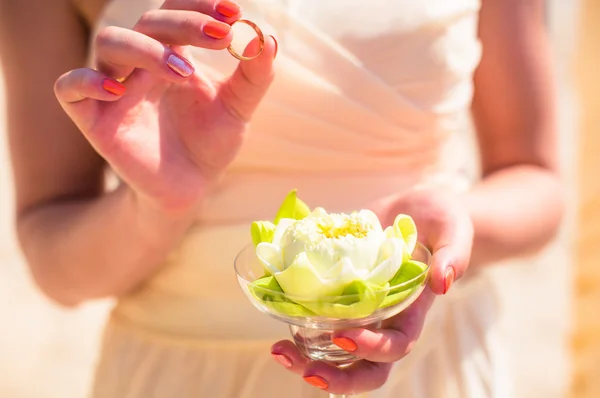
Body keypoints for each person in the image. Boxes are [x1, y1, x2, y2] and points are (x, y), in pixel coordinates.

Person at [0, 0, 564, 397]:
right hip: (178, 376)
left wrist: (452, 229)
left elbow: (535, 180)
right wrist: (160, 205)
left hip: (427, 371)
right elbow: (55, 266)